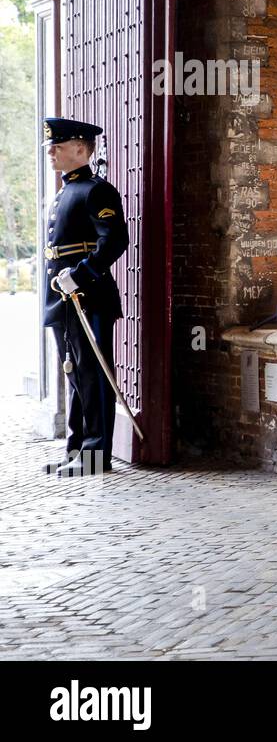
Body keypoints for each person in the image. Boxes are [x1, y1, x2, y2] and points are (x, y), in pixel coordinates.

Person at [40, 118, 129, 477]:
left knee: (94, 375)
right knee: (75, 375)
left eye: (57, 146)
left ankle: (96, 457)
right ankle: (77, 448)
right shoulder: (64, 192)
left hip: (88, 297)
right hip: (62, 300)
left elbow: (114, 240)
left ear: (81, 148)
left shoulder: (97, 190)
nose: (51, 152)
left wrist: (79, 275)